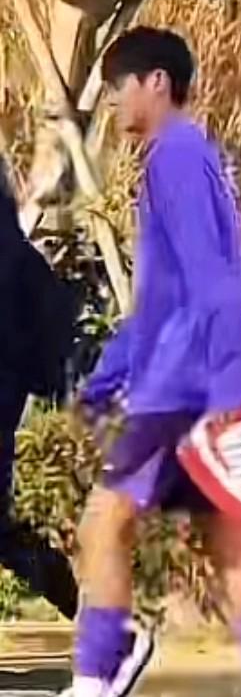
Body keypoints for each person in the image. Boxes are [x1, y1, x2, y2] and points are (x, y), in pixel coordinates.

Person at [67, 27, 241, 697]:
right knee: (229, 537)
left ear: (156, 82)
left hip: (180, 388)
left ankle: (96, 674)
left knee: (102, 525)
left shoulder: (178, 157)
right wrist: (107, 377)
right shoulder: (187, 156)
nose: (112, 104)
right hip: (189, 380)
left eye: (118, 88)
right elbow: (161, 299)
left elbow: (214, 281)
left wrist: (226, 389)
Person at [0, 166, 80, 621]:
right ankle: (54, 577)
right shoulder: (24, 260)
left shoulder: (17, 262)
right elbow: (51, 347)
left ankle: (56, 579)